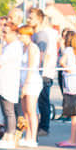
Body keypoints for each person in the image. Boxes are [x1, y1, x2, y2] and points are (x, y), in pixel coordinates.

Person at [0, 20, 24, 149]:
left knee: (9, 111)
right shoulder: (8, 45)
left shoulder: (14, 46)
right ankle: (6, 136)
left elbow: (1, 61)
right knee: (5, 111)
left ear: (14, 33)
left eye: (5, 32)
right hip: (3, 81)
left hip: (9, 82)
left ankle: (10, 137)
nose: (3, 35)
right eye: (2, 32)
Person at [27, 8, 58, 136]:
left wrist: (38, 71)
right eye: (28, 17)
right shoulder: (34, 34)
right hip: (38, 73)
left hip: (43, 73)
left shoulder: (42, 35)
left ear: (39, 19)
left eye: (31, 18)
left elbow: (43, 55)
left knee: (43, 101)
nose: (28, 20)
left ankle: (44, 128)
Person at [56, 31, 76, 148]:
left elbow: (61, 62)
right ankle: (72, 139)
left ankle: (72, 140)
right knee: (75, 113)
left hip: (70, 85)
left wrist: (67, 69)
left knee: (73, 113)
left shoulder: (68, 50)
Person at [17, 25, 42, 147]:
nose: (19, 36)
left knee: (31, 110)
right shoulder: (23, 47)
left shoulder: (32, 47)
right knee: (25, 111)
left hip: (32, 82)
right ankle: (27, 135)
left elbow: (31, 68)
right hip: (22, 81)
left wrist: (26, 85)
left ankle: (33, 137)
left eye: (21, 34)